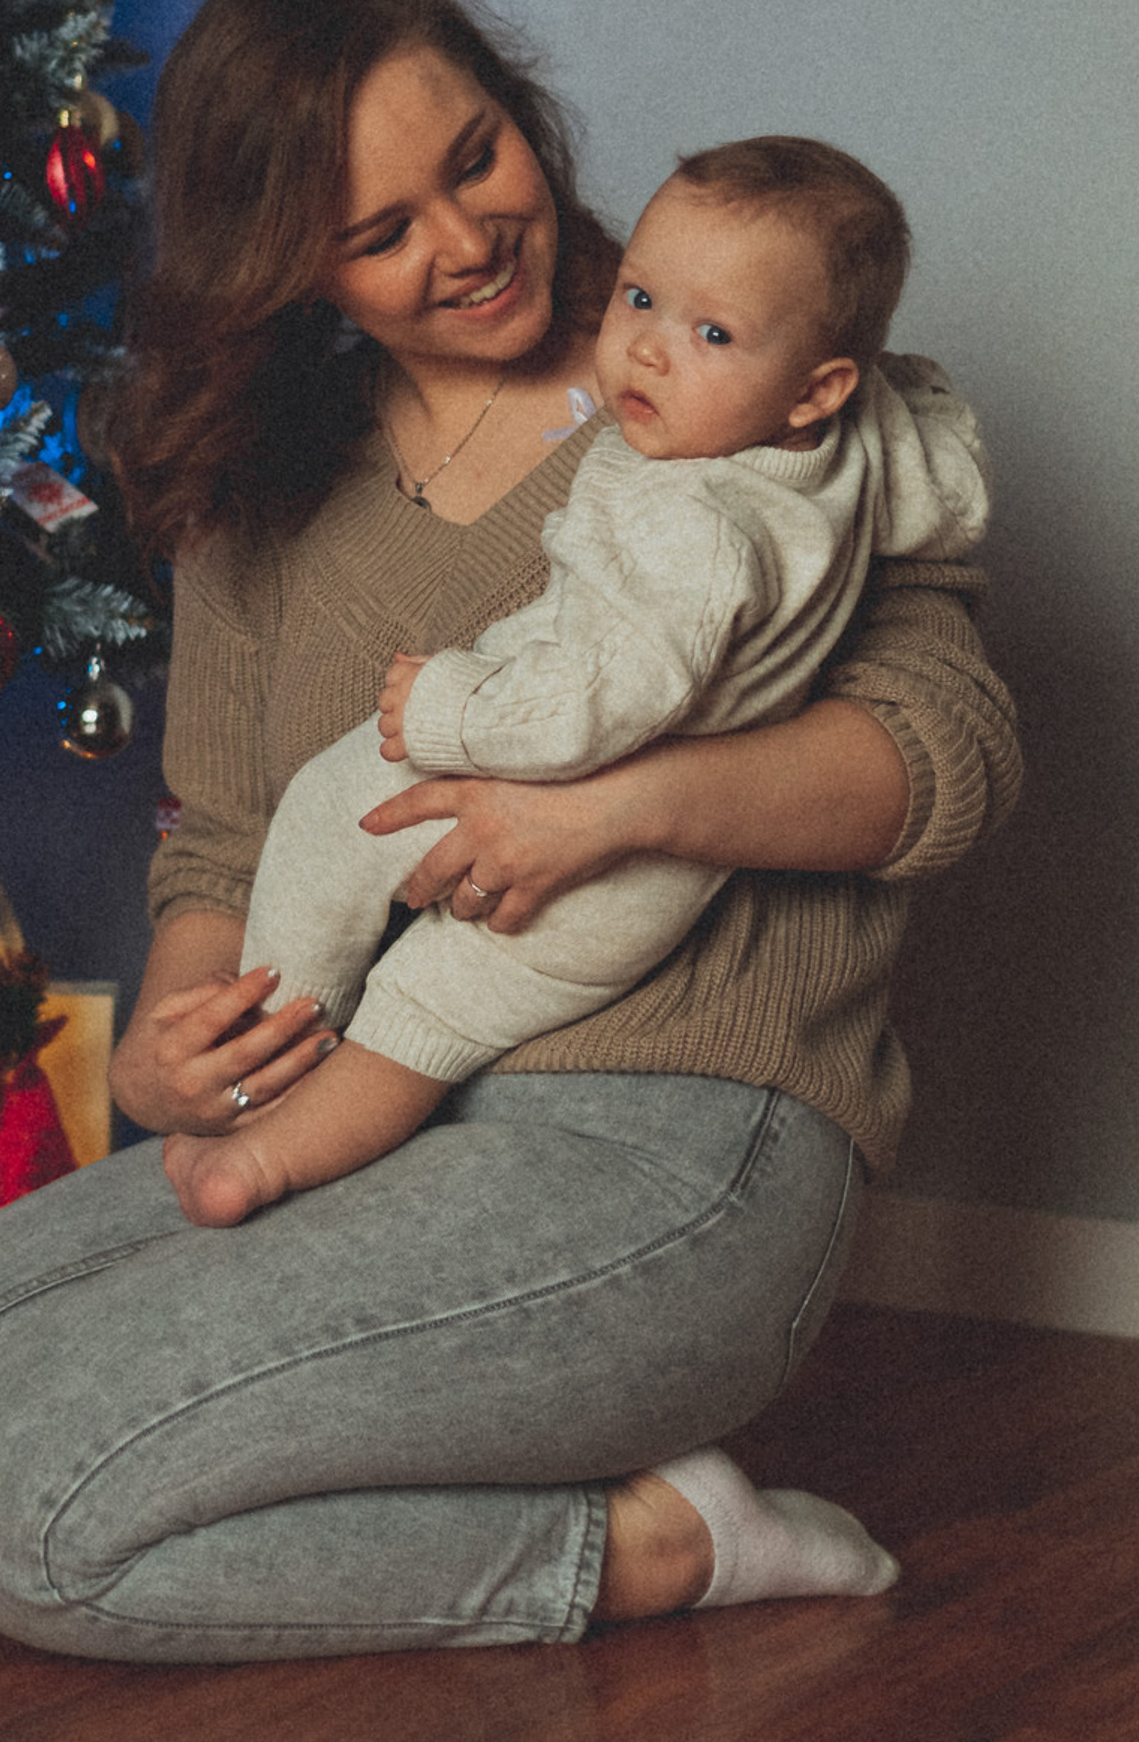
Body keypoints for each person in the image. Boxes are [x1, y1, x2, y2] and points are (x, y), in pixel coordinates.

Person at [0, 0, 1020, 1661]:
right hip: (345, 1117)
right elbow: (223, 834)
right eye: (380, 231)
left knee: (29, 1528)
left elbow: (944, 761)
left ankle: (659, 1542)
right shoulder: (264, 472)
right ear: (290, 267)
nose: (468, 239)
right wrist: (168, 1053)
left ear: (522, 117)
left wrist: (616, 813)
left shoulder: (738, 371)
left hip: (663, 1136)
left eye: (477, 158)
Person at [162, 136, 990, 1229]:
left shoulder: (694, 523)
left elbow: (599, 702)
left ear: (815, 388)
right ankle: (261, 1129)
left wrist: (447, 708)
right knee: (420, 1004)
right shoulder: (856, 438)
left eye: (710, 334)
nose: (645, 351)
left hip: (580, 801)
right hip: (638, 868)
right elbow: (939, 487)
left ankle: (263, 1130)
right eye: (640, 298)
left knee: (378, 915)